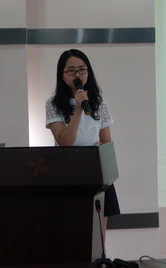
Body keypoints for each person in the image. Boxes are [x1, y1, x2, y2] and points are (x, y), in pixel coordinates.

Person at [46, 48, 120, 216]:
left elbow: (106, 140)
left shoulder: (99, 102)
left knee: (99, 226)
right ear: (62, 75)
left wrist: (101, 147)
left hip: (96, 170)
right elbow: (65, 142)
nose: (78, 75)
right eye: (71, 71)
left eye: (82, 69)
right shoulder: (53, 104)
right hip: (67, 170)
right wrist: (79, 109)